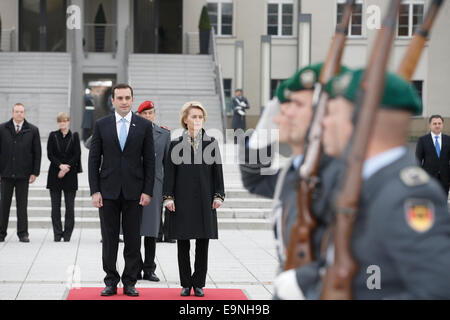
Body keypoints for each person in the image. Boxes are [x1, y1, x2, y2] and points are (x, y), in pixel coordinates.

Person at [274, 69, 450, 299]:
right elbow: (358, 266)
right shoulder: (361, 182)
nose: (323, 122)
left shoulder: (408, 196)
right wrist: (303, 282)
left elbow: (436, 290)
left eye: (331, 113)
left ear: (361, 122)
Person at [88, 83, 155, 297]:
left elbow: (150, 162)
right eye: (120, 98)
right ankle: (110, 280)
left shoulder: (144, 125)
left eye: (127, 98)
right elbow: (93, 160)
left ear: (132, 100)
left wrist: (147, 190)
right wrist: (94, 190)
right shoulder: (102, 124)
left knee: (133, 240)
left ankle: (130, 282)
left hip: (135, 192)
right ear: (113, 100)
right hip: (107, 192)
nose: (124, 101)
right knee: (109, 238)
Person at [163, 101, 225, 297]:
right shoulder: (175, 144)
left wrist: (218, 195)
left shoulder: (211, 143)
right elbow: (169, 175)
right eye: (193, 116)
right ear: (185, 120)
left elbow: (218, 173)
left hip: (205, 199)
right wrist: (168, 197)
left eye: (200, 117)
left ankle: (198, 283)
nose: (197, 120)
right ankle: (185, 283)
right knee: (183, 242)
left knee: (202, 242)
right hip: (181, 200)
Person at [135, 100, 171, 282]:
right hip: (134, 184)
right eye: (145, 114)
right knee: (133, 227)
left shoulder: (164, 134)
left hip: (155, 185)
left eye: (151, 113)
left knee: (151, 229)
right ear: (139, 115)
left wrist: (168, 190)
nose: (148, 116)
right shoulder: (133, 132)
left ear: (154, 114)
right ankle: (134, 267)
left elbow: (167, 164)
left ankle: (149, 268)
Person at [0, 103, 41, 243]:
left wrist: (35, 172)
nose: (19, 114)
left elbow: (37, 153)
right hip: (5, 174)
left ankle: (23, 233)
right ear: (12, 113)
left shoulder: (33, 130)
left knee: (22, 206)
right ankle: (1, 233)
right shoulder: (2, 128)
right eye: (17, 111)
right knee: (3, 205)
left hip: (24, 174)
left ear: (25, 113)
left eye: (21, 112)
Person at [46, 112, 82, 242]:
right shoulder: (53, 135)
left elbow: (77, 154)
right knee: (55, 207)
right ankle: (57, 233)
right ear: (58, 123)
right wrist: (60, 166)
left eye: (65, 121)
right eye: (60, 121)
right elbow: (50, 154)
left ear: (69, 122)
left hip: (70, 175)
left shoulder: (75, 136)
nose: (63, 123)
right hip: (55, 174)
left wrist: (66, 168)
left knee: (69, 207)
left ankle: (67, 234)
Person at [415, 115, 450, 195]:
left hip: (445, 179)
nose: (437, 126)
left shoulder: (448, 140)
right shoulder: (422, 140)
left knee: (442, 203)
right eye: (434, 124)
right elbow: (418, 160)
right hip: (428, 179)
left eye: (439, 123)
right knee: (429, 203)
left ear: (442, 125)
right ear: (430, 125)